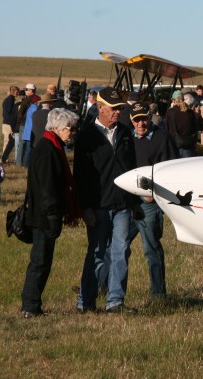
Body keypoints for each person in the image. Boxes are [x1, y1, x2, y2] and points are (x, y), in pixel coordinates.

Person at [74, 87, 140, 314]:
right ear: (100, 108)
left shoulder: (125, 133)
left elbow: (132, 168)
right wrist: (86, 207)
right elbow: (81, 175)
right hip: (98, 206)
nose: (118, 112)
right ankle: (86, 302)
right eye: (114, 108)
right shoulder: (86, 136)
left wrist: (134, 201)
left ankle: (115, 302)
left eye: (120, 108)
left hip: (122, 205)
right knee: (97, 253)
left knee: (120, 252)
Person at [20, 108, 82, 318]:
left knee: (42, 261)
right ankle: (30, 306)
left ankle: (32, 305)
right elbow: (46, 187)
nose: (72, 132)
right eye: (69, 129)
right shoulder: (47, 149)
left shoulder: (51, 145)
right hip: (44, 216)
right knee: (40, 261)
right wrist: (53, 215)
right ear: (56, 128)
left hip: (44, 214)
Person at [127, 102, 179, 299]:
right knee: (115, 246)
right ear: (131, 121)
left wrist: (153, 193)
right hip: (128, 201)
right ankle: (101, 287)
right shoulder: (126, 138)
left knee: (151, 249)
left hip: (149, 203)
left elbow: (173, 169)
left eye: (144, 119)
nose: (141, 124)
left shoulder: (162, 138)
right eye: (137, 120)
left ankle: (158, 294)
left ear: (150, 118)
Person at [165, 90, 203, 158]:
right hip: (189, 146)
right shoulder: (190, 113)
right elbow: (201, 127)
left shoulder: (170, 112)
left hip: (174, 146)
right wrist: (198, 115)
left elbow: (166, 129)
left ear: (173, 100)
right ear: (183, 99)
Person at [1, 85, 19, 164]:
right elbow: (9, 111)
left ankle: (4, 158)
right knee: (7, 141)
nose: (17, 94)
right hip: (8, 123)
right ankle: (4, 158)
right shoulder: (11, 100)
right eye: (17, 92)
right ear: (13, 91)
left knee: (7, 141)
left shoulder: (8, 99)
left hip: (5, 122)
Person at [22, 94, 41, 167]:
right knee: (29, 149)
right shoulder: (35, 109)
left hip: (27, 132)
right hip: (31, 131)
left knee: (28, 149)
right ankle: (26, 164)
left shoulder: (30, 108)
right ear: (36, 102)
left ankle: (25, 163)